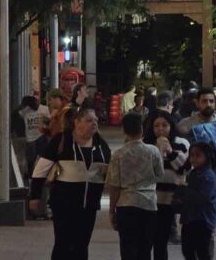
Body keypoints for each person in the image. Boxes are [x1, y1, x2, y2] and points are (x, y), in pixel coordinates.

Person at [29, 107, 112, 260]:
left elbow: (109, 171)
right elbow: (40, 170)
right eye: (89, 120)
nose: (94, 123)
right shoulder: (61, 140)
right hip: (63, 204)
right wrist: (35, 196)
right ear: (77, 122)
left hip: (89, 205)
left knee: (82, 244)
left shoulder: (101, 145)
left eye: (96, 120)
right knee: (63, 243)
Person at [107, 113, 165, 260]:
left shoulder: (118, 154)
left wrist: (112, 210)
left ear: (124, 130)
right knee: (145, 249)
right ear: (142, 129)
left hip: (126, 205)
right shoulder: (153, 151)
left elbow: (114, 185)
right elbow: (160, 175)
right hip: (148, 204)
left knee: (128, 250)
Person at [145, 111, 189, 260]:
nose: (160, 129)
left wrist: (170, 152)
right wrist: (157, 151)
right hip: (148, 199)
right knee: (146, 241)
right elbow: (144, 171)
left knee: (161, 241)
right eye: (156, 125)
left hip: (169, 199)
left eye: (164, 125)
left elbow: (184, 169)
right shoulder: (145, 144)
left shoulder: (182, 143)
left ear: (171, 126)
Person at [181, 142, 216, 260]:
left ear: (207, 157)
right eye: (192, 155)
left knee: (202, 252)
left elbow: (203, 197)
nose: (193, 159)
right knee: (187, 250)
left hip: (203, 221)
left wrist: (184, 190)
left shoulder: (208, 176)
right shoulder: (192, 173)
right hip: (189, 219)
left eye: (198, 155)